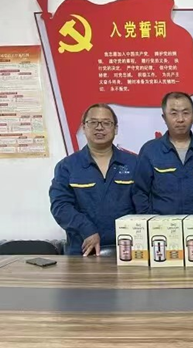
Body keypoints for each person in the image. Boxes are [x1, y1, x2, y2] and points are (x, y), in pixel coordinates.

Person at [49, 104, 137, 256]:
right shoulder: (67, 166)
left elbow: (144, 204)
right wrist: (86, 229)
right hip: (83, 249)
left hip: (128, 249)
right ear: (84, 127)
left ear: (115, 128)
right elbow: (60, 206)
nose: (99, 127)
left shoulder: (134, 163)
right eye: (93, 122)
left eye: (106, 123)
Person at [133, 92, 193, 215]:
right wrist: (149, 219)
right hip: (161, 223)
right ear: (164, 117)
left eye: (186, 113)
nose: (180, 119)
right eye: (174, 113)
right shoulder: (150, 150)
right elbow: (140, 192)